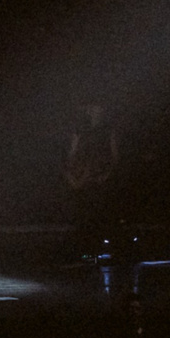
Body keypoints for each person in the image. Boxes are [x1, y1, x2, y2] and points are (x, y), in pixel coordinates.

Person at [65, 102, 121, 261]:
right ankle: (84, 250)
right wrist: (73, 175)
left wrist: (106, 175)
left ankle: (98, 249)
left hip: (99, 178)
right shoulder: (80, 130)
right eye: (93, 108)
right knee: (83, 214)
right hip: (82, 178)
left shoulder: (108, 131)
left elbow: (114, 156)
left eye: (98, 108)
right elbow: (72, 153)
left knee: (99, 214)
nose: (95, 111)